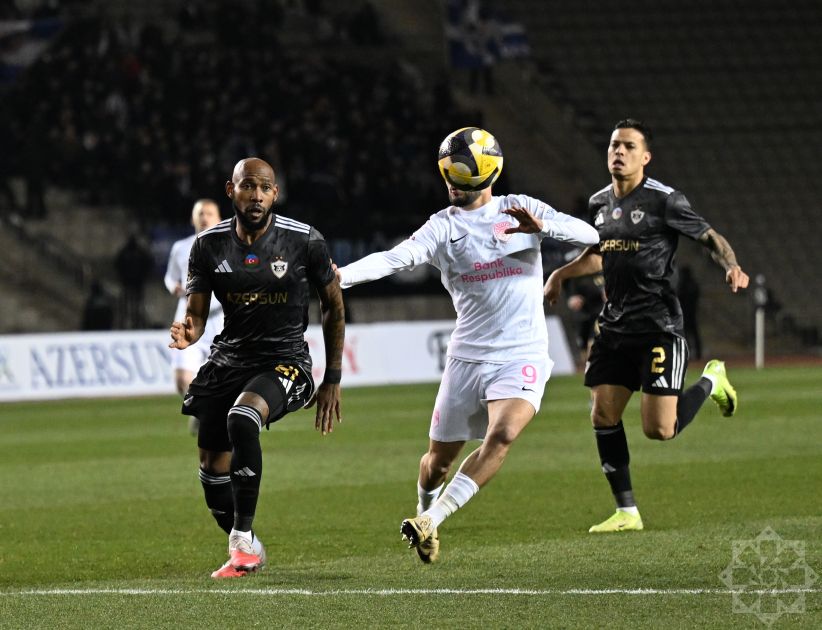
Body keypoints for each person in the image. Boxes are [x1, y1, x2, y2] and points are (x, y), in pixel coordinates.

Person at [335, 127, 599, 563]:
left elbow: (588, 234)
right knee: (435, 463)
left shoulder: (520, 209)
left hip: (522, 354)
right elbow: (394, 259)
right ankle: (426, 510)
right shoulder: (443, 226)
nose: (452, 186)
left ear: (486, 174)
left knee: (503, 434)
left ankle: (431, 519)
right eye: (448, 176)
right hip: (467, 358)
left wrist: (545, 226)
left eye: (459, 178)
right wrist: (340, 276)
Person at [544, 119, 750, 533]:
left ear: (646, 157)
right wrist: (560, 274)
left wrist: (731, 265)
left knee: (660, 430)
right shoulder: (599, 203)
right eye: (614, 145)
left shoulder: (665, 200)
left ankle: (712, 380)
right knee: (603, 414)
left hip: (658, 326)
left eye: (628, 146)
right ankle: (627, 512)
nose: (619, 152)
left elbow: (710, 237)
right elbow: (598, 253)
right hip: (614, 327)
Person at [169, 157, 345, 578]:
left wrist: (332, 378)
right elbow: (197, 314)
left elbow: (333, 306)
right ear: (231, 191)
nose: (257, 195)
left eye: (265, 188)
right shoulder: (207, 246)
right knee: (212, 471)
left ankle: (242, 540)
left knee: (243, 416)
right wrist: (189, 331)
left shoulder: (304, 241)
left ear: (275, 194)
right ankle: (249, 546)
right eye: (248, 186)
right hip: (229, 360)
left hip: (286, 361)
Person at [164, 199, 224, 435]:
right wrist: (173, 287)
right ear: (193, 219)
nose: (204, 217)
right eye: (200, 213)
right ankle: (205, 409)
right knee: (182, 380)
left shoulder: (228, 246)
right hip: (187, 317)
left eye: (209, 213)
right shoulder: (181, 247)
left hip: (220, 319)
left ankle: (210, 412)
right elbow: (170, 277)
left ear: (219, 219)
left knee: (228, 378)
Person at [676, 265, 702, 359]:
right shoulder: (692, 284)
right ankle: (695, 353)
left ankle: (690, 353)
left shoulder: (683, 285)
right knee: (692, 334)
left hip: (687, 313)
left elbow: (679, 298)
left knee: (688, 334)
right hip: (691, 313)